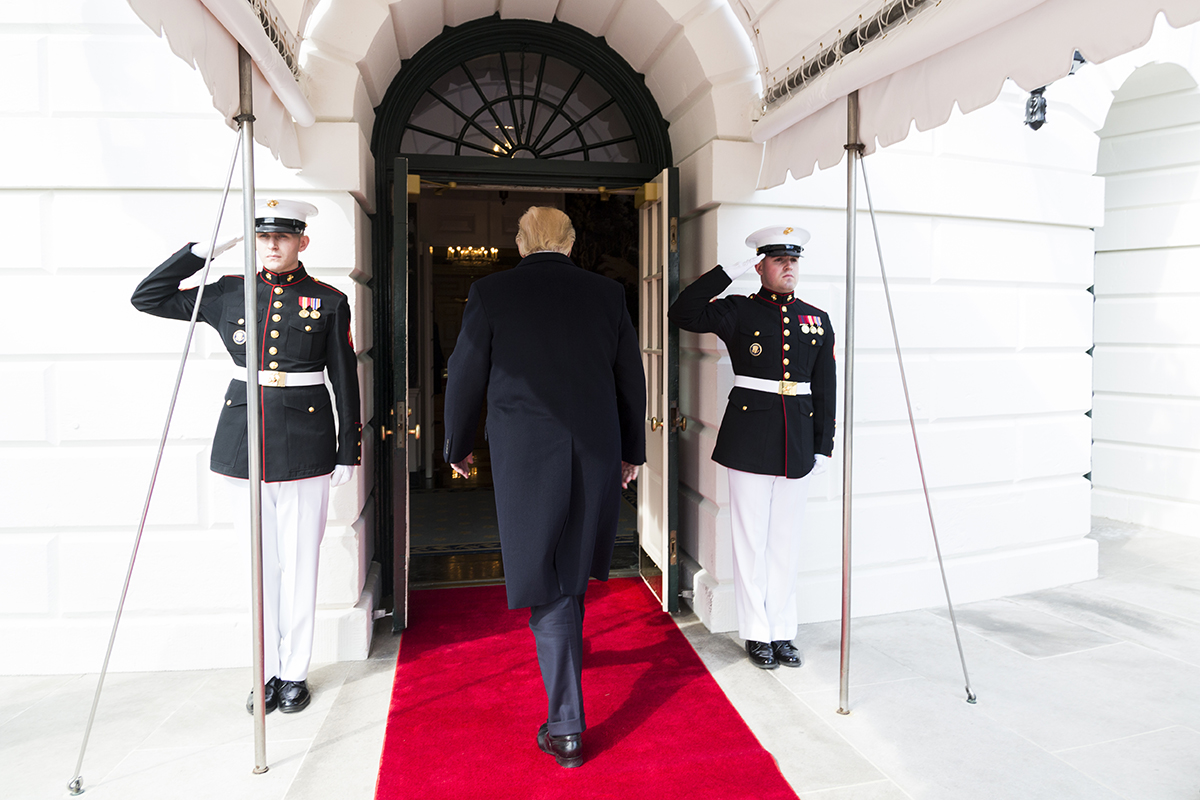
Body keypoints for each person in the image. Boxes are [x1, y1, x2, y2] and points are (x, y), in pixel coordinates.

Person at [131, 199, 361, 714]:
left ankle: (294, 673)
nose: (273, 246)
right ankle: (266, 671)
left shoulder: (327, 300)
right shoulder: (229, 291)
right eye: (264, 238)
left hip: (307, 443)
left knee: (300, 564)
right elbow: (147, 297)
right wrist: (198, 253)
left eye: (284, 237)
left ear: (303, 241)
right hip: (243, 439)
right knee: (260, 566)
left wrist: (350, 446)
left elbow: (345, 377)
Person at [442, 206, 646, 768]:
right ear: (573, 242)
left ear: (520, 242)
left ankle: (566, 726)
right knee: (569, 567)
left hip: (526, 452)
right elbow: (631, 377)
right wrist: (633, 451)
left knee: (548, 575)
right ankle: (566, 700)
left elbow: (465, 373)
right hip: (597, 449)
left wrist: (456, 444)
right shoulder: (607, 294)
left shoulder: (491, 291)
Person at [668, 225, 836, 670]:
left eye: (793, 261)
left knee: (785, 542)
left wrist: (824, 444)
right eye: (779, 261)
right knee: (749, 542)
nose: (788, 268)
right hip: (748, 439)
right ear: (760, 267)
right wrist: (728, 272)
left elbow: (825, 386)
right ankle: (757, 632)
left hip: (798, 441)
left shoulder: (815, 318)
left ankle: (782, 631)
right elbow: (682, 312)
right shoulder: (738, 311)